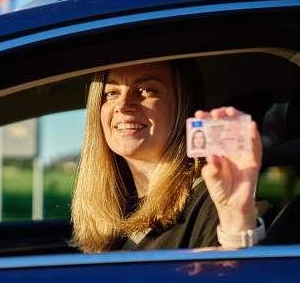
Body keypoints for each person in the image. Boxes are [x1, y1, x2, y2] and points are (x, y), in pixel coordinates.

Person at [71, 59, 264, 253]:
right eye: (112, 93)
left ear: (183, 106)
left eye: (147, 90)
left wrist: (236, 220)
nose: (122, 105)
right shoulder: (117, 211)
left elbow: (232, 273)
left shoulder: (212, 202)